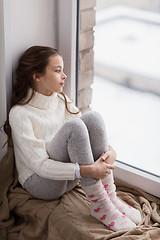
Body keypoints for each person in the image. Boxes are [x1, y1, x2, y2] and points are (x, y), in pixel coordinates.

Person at [5, 46, 141, 231]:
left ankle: (110, 196)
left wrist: (110, 151)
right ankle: (100, 205)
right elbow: (41, 167)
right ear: (37, 76)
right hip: (41, 182)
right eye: (57, 70)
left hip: (70, 177)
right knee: (74, 127)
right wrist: (88, 171)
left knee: (93, 118)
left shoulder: (60, 99)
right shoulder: (20, 114)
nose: (64, 76)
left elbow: (87, 130)